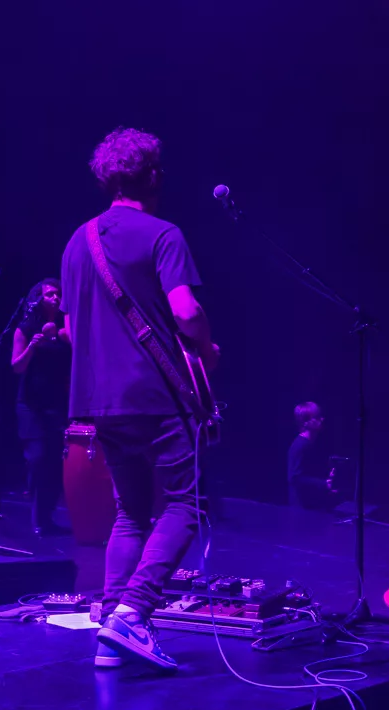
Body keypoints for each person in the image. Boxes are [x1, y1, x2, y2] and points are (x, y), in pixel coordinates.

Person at [61, 127, 219, 672]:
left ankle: (111, 625)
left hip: (98, 398)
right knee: (185, 504)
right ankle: (135, 611)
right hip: (156, 395)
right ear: (152, 175)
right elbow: (186, 311)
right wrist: (206, 348)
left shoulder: (77, 241)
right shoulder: (163, 234)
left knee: (130, 510)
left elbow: (71, 331)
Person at [10, 278, 71, 535]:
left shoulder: (65, 325)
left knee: (56, 462)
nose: (56, 298)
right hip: (31, 405)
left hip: (57, 403)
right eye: (50, 295)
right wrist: (33, 346)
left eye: (59, 294)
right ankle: (37, 518)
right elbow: (17, 366)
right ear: (38, 299)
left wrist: (61, 331)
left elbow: (75, 345)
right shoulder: (26, 329)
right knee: (37, 458)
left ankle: (46, 518)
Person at [288, 401, 336, 510]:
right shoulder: (300, 446)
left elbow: (310, 472)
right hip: (302, 507)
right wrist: (323, 483)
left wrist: (327, 478)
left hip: (311, 505)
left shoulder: (311, 443)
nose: (322, 419)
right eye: (317, 417)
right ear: (305, 423)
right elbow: (295, 478)